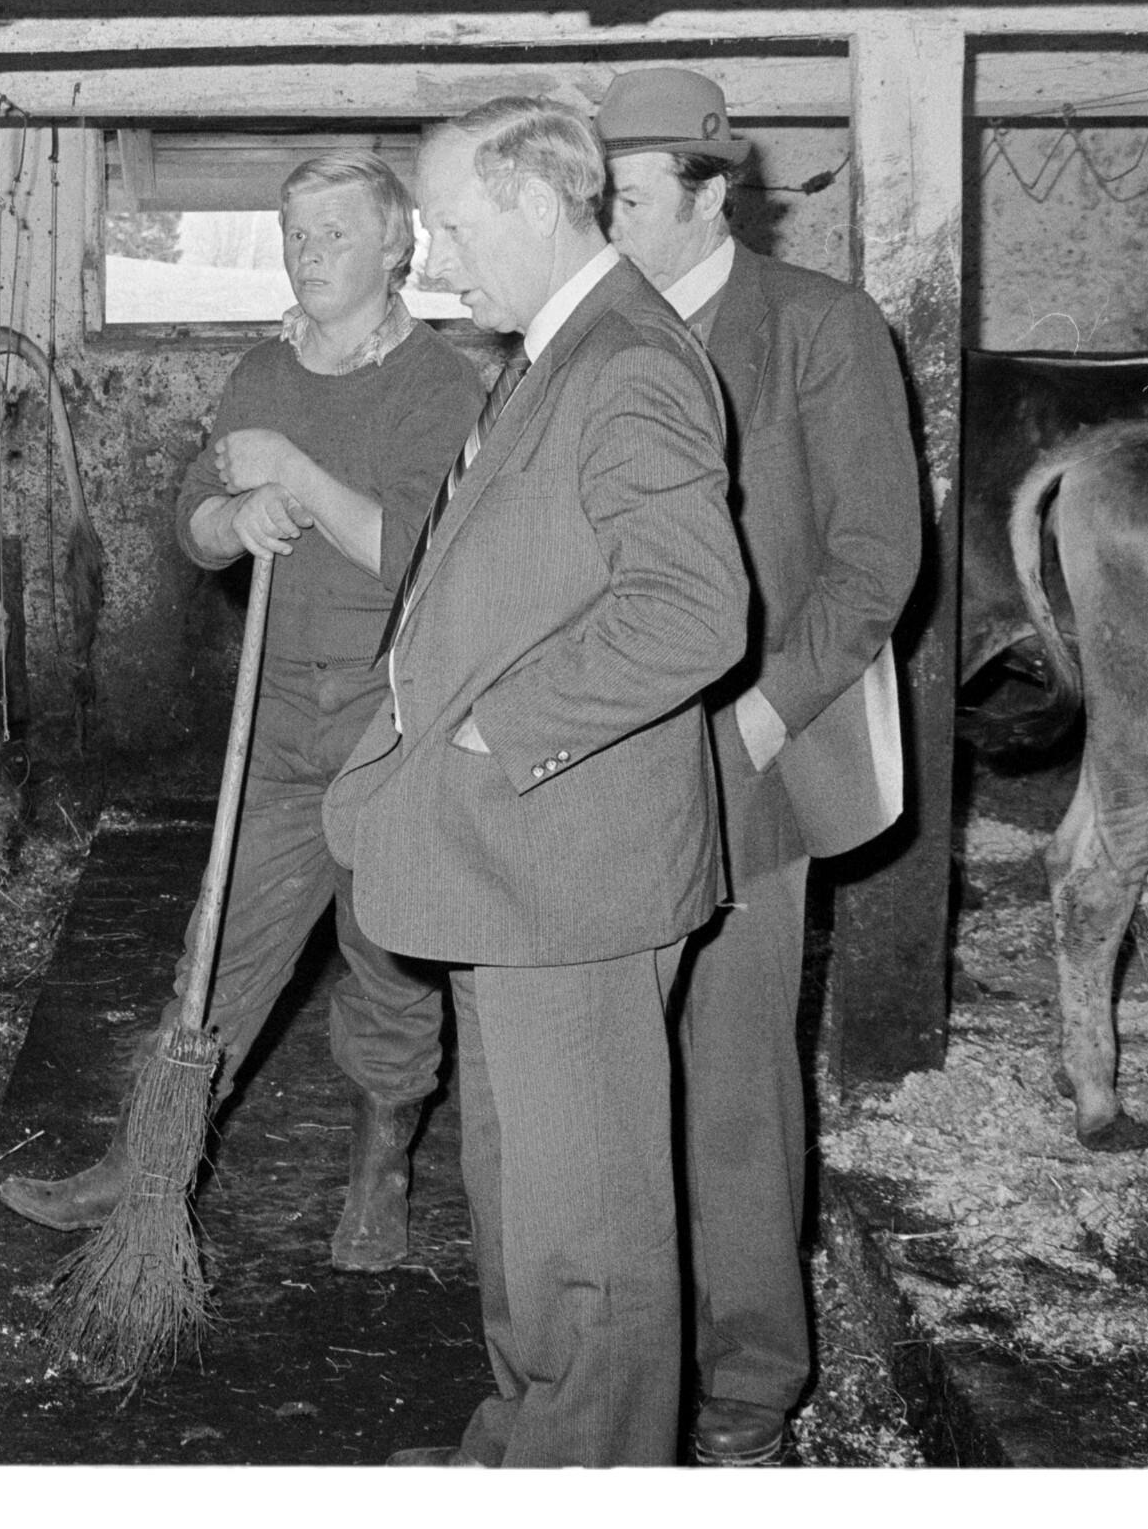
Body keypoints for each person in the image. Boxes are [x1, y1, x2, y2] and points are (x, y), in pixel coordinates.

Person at [327, 97, 747, 1467]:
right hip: (509, 864)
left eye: (451, 226)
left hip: (572, 865)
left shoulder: (626, 359)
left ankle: (591, 1465)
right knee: (521, 1194)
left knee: (590, 1233)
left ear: (530, 199)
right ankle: (525, 1442)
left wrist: (499, 728)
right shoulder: (553, 353)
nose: (435, 260)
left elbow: (693, 611)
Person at [0, 152, 481, 1268]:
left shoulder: (441, 388)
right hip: (279, 709)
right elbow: (193, 521)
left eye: (335, 232)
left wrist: (296, 477)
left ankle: (380, 1170)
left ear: (397, 246)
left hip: (391, 715)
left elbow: (420, 555)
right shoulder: (262, 371)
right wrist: (235, 514)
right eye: (294, 232)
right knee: (219, 946)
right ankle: (143, 1164)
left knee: (390, 955)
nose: (308, 253)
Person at [597, 67, 923, 1467]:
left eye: (626, 197)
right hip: (601, 751)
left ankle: (749, 1377)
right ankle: (620, 1360)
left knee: (730, 1068)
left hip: (745, 751)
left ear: (711, 191)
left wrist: (763, 717)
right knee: (604, 1067)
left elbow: (875, 560)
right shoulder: (585, 332)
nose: (606, 223)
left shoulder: (818, 327)